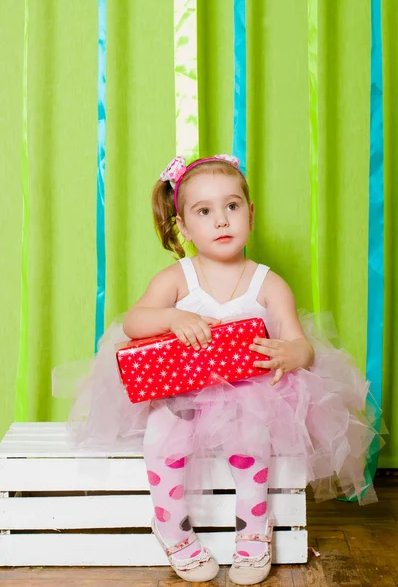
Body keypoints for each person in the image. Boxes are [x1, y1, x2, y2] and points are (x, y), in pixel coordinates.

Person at [54, 154, 384, 586]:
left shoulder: (267, 282)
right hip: (181, 391)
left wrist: (290, 354)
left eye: (232, 206)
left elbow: (300, 343)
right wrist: (172, 319)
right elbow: (135, 322)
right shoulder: (178, 277)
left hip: (250, 390)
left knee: (252, 441)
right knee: (162, 441)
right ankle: (173, 531)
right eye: (204, 212)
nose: (222, 220)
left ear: (250, 214)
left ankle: (253, 532)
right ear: (185, 229)